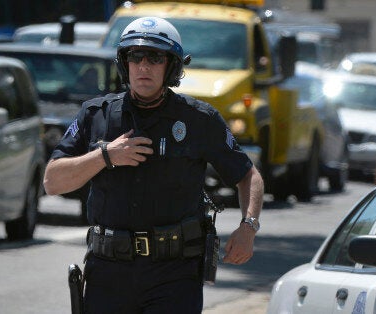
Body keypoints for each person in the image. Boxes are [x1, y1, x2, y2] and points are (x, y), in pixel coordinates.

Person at [43, 17, 264, 313]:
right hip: (108, 273)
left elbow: (248, 176)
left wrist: (248, 227)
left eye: (155, 57)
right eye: (135, 56)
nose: (144, 66)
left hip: (173, 275)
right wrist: (105, 156)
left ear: (171, 66)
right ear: (125, 63)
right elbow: (52, 182)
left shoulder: (199, 119)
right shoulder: (96, 115)